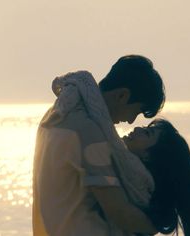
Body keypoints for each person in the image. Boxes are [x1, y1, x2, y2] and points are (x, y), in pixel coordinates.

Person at [32, 55, 165, 235]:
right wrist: (162, 227)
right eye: (137, 110)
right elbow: (119, 211)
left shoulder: (58, 113)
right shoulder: (91, 134)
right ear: (122, 95)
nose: (131, 120)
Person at [123, 118, 190, 236]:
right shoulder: (141, 182)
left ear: (149, 156)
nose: (137, 128)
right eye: (144, 128)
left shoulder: (134, 179)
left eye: (147, 133)